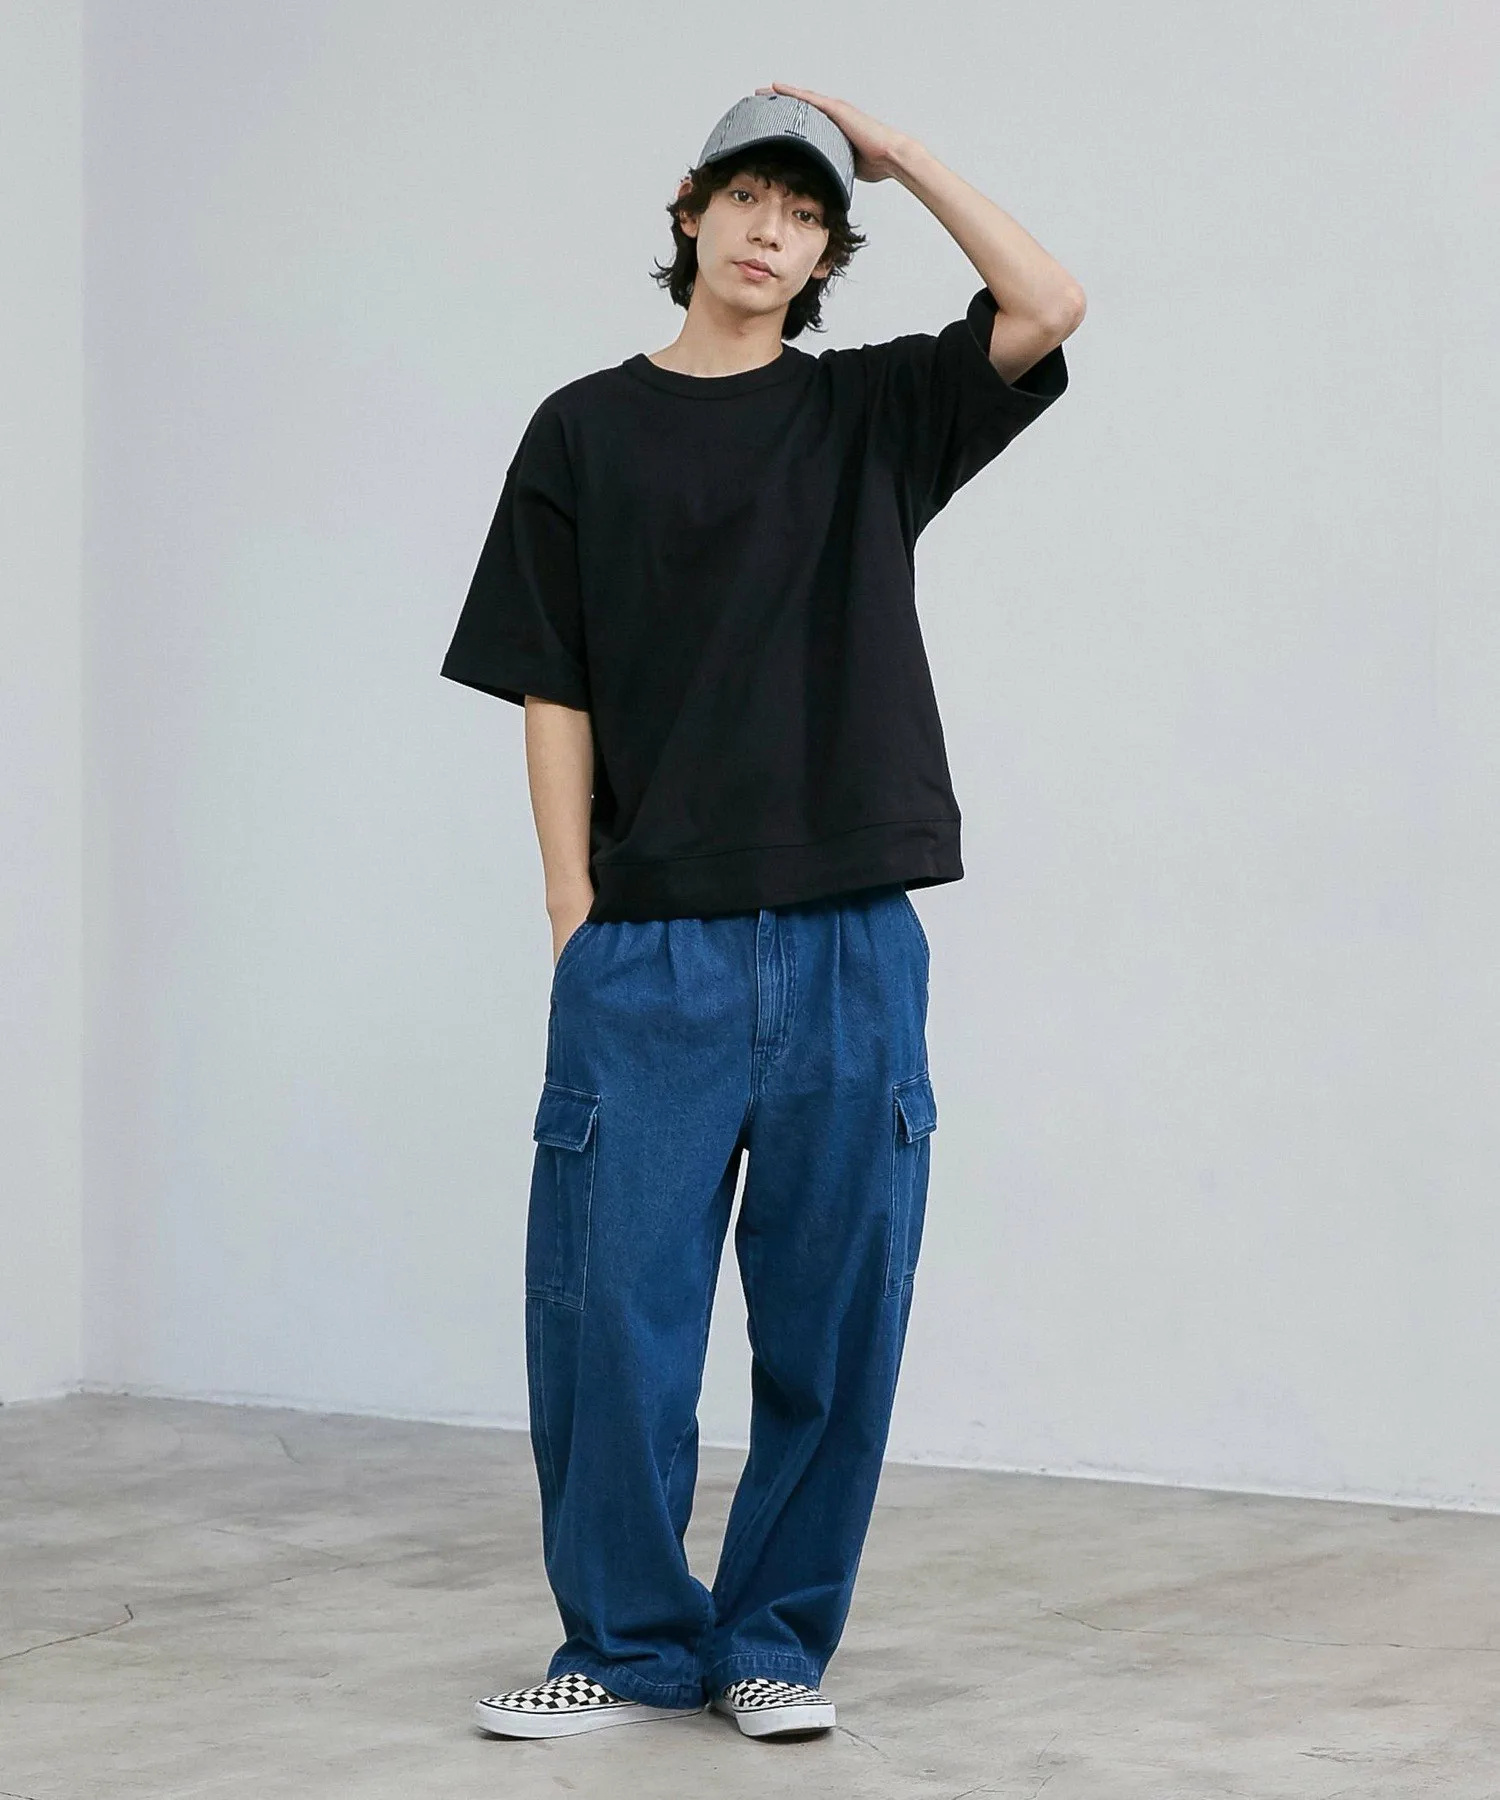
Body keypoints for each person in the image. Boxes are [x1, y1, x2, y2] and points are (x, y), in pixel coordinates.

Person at [441, 82, 1083, 1743]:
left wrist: (904, 154)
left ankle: (774, 1645)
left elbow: (1047, 303)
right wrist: (574, 907)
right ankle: (624, 1645)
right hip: (650, 942)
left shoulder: (872, 413)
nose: (770, 232)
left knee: (835, 1322)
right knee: (611, 1320)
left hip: (853, 938)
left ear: (824, 254)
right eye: (748, 198)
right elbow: (552, 682)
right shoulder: (584, 429)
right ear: (691, 211)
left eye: (805, 216)